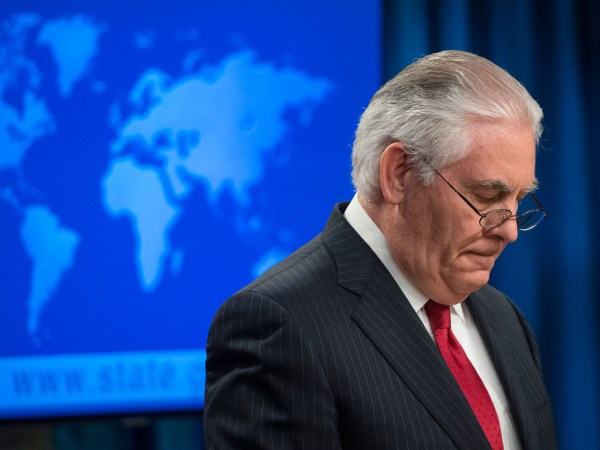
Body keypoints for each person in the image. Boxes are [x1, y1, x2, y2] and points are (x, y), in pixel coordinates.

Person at [203, 50, 558, 450]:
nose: (509, 230)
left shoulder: (505, 317)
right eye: (487, 196)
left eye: (518, 200)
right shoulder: (277, 326)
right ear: (399, 174)